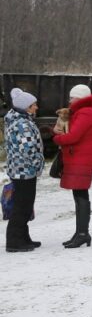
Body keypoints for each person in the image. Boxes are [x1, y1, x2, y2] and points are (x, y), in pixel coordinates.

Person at [52, 84, 92, 248]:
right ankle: (80, 232)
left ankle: (82, 234)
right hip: (81, 158)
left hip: (82, 159)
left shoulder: (85, 113)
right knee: (79, 195)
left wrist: (57, 139)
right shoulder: (86, 112)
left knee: (81, 196)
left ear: (78, 98)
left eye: (72, 97)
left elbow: (74, 136)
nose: (69, 100)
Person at [5, 88, 44, 252]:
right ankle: (14, 242)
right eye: (34, 105)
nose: (36, 107)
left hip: (20, 170)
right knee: (22, 206)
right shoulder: (22, 125)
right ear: (26, 107)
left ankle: (23, 237)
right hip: (24, 171)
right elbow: (28, 150)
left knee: (25, 205)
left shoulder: (20, 120)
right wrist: (37, 165)